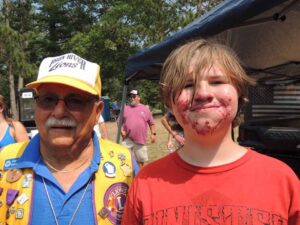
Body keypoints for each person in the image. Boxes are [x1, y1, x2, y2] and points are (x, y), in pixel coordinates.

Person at [121, 39, 300, 225]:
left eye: (217, 81)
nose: (202, 93)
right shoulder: (145, 184)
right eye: (188, 85)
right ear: (169, 104)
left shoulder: (281, 180)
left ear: (240, 93)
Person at [0, 53, 137, 225]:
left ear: (97, 112)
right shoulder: (5, 161)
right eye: (48, 99)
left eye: (75, 101)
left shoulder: (124, 165)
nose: (58, 112)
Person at [120, 89, 156, 168]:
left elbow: (151, 123)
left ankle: (138, 176)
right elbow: (119, 122)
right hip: (127, 139)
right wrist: (121, 131)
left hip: (140, 139)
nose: (131, 98)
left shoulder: (145, 109)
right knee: (124, 159)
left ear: (139, 97)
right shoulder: (125, 109)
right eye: (130, 96)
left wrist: (153, 134)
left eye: (133, 96)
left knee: (140, 161)